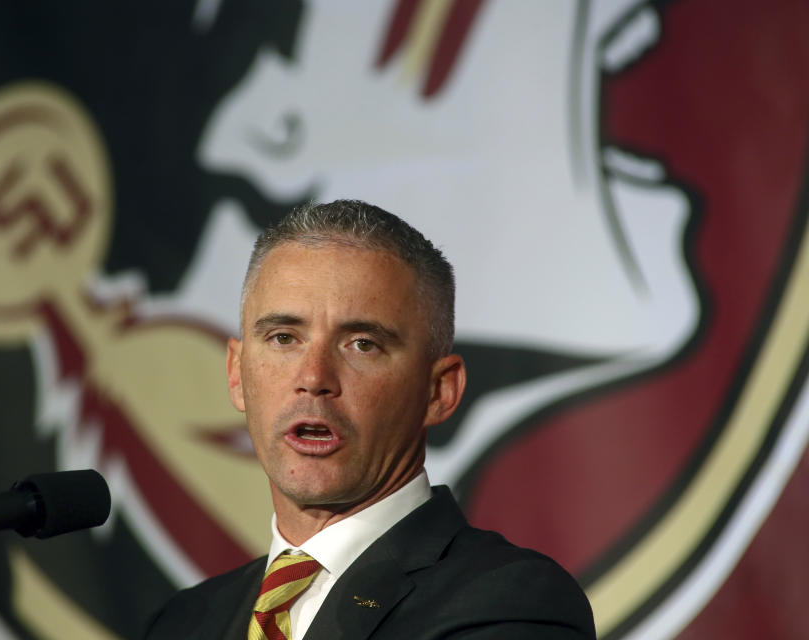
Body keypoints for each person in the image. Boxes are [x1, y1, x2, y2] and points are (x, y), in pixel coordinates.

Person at [144, 199, 595, 639]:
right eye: (284, 338)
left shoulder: (510, 603)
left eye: (362, 344)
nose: (314, 377)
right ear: (236, 375)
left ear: (439, 391)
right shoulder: (183, 622)